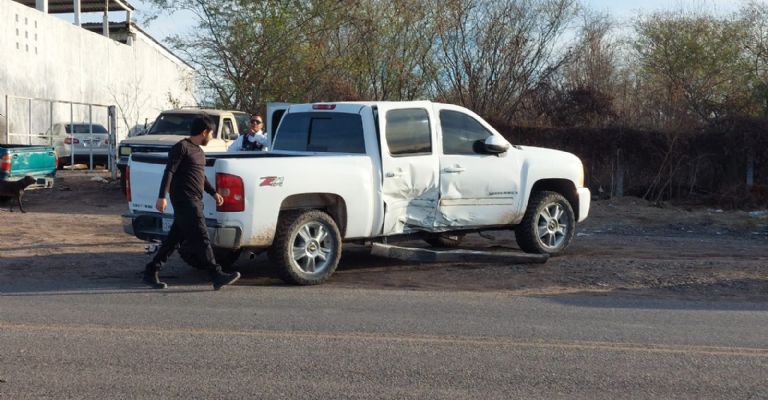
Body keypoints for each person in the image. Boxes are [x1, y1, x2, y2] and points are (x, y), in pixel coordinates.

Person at [142, 115, 241, 290]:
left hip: (196, 200)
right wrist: (161, 196)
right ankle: (216, 274)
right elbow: (169, 172)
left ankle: (151, 271)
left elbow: (200, 177)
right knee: (202, 237)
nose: (211, 137)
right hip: (184, 201)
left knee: (173, 240)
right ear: (204, 132)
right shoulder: (181, 147)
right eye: (211, 133)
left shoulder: (199, 152)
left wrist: (213, 193)